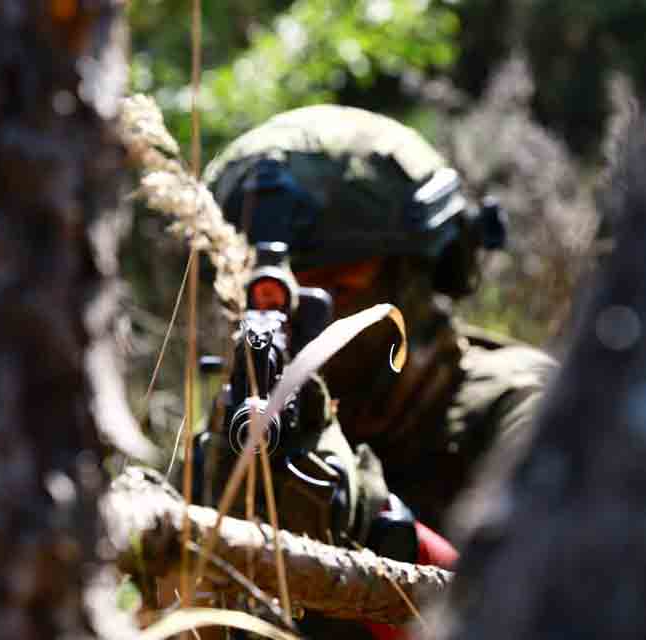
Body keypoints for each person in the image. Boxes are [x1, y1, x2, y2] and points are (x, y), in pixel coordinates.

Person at [196, 104, 558, 638]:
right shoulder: (237, 442)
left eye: (336, 290)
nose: (300, 323)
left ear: (417, 278)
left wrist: (376, 532)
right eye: (269, 300)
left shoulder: (527, 416)